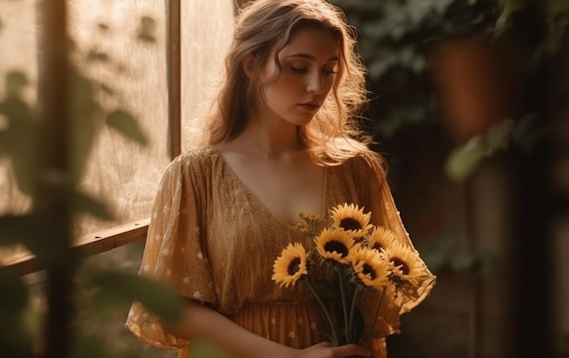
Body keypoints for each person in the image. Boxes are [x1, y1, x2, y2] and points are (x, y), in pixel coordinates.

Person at [125, 0, 436, 357]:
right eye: (299, 67)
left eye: (329, 70)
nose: (316, 87)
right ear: (252, 65)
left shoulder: (355, 169)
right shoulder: (195, 176)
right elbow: (173, 306)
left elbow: (382, 285)